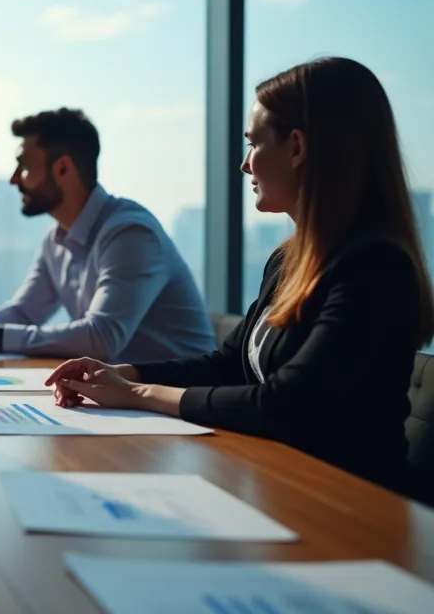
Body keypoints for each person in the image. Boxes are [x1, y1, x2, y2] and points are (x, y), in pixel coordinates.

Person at [45, 58, 434, 492]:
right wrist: (124, 373)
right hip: (282, 482)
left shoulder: (375, 268)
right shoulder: (289, 260)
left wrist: (138, 395)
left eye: (253, 144)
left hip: (350, 503)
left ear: (297, 147)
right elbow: (228, 365)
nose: (245, 165)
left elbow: (288, 404)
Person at [0, 108, 214, 363]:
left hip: (181, 401)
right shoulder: (55, 239)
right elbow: (23, 313)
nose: (14, 179)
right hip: (125, 396)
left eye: (24, 166)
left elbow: (102, 337)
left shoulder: (130, 233)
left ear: (63, 169)